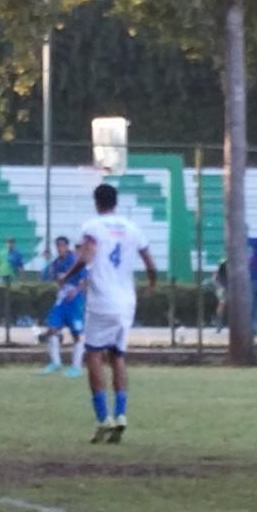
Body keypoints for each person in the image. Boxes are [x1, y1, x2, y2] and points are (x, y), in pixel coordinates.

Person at [60, 184, 157, 443]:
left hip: (102, 300)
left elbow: (87, 257)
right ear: (116, 202)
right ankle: (121, 414)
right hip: (126, 302)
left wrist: (66, 276)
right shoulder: (132, 228)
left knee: (93, 355)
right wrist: (151, 284)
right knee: (118, 356)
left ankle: (103, 417)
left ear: (96, 202)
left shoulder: (93, 227)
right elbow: (149, 262)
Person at [38, 236, 88, 376]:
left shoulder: (75, 261)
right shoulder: (55, 263)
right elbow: (55, 279)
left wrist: (76, 291)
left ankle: (76, 367)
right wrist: (61, 286)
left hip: (75, 302)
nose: (60, 249)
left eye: (62, 246)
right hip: (61, 302)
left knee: (77, 335)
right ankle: (55, 363)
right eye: (58, 246)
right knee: (52, 329)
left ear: (67, 247)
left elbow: (84, 280)